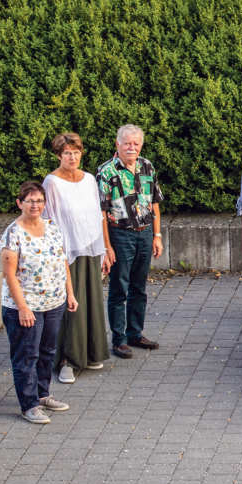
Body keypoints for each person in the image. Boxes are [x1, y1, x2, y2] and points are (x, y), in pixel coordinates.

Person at [1, 182, 79, 424]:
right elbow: (10, 275)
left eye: (39, 201)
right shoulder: (12, 234)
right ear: (19, 203)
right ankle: (29, 405)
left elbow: (62, 261)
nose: (35, 205)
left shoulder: (52, 227)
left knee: (48, 351)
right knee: (27, 355)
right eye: (30, 201)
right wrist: (23, 307)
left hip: (54, 302)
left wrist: (70, 293)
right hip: (26, 307)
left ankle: (43, 394)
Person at [43, 132, 110, 384]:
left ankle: (91, 353)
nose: (72, 157)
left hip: (90, 249)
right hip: (66, 252)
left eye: (76, 152)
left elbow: (98, 215)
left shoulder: (90, 179)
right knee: (70, 306)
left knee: (91, 302)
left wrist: (104, 248)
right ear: (59, 156)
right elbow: (49, 219)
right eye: (67, 153)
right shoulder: (52, 182)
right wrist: (57, 254)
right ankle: (66, 361)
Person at [98, 124, 163, 359]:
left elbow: (155, 202)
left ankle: (135, 333)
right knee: (119, 287)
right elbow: (101, 214)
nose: (131, 147)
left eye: (136, 143)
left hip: (145, 233)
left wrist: (157, 236)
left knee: (139, 287)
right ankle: (119, 340)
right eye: (127, 143)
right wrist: (107, 246)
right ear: (117, 144)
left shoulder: (147, 166)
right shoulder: (105, 172)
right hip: (120, 235)